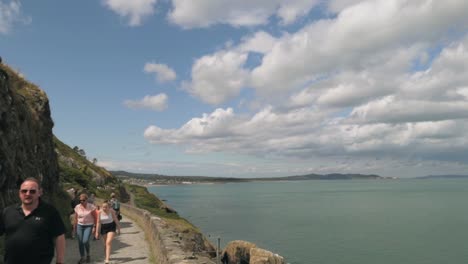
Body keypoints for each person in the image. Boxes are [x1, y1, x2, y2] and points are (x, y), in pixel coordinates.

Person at [0, 177, 66, 264]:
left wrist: (59, 261)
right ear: (19, 193)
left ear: (39, 192)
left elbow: (59, 236)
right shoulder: (8, 211)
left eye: (32, 191)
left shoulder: (50, 212)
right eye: (24, 191)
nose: (28, 194)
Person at [73, 193, 97, 263]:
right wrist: (74, 227)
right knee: (80, 242)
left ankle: (88, 255)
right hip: (80, 225)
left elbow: (95, 218)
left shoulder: (91, 207)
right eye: (80, 200)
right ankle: (82, 257)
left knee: (85, 241)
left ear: (87, 200)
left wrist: (94, 227)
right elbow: (76, 217)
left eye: (83, 200)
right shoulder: (77, 207)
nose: (81, 202)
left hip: (89, 225)